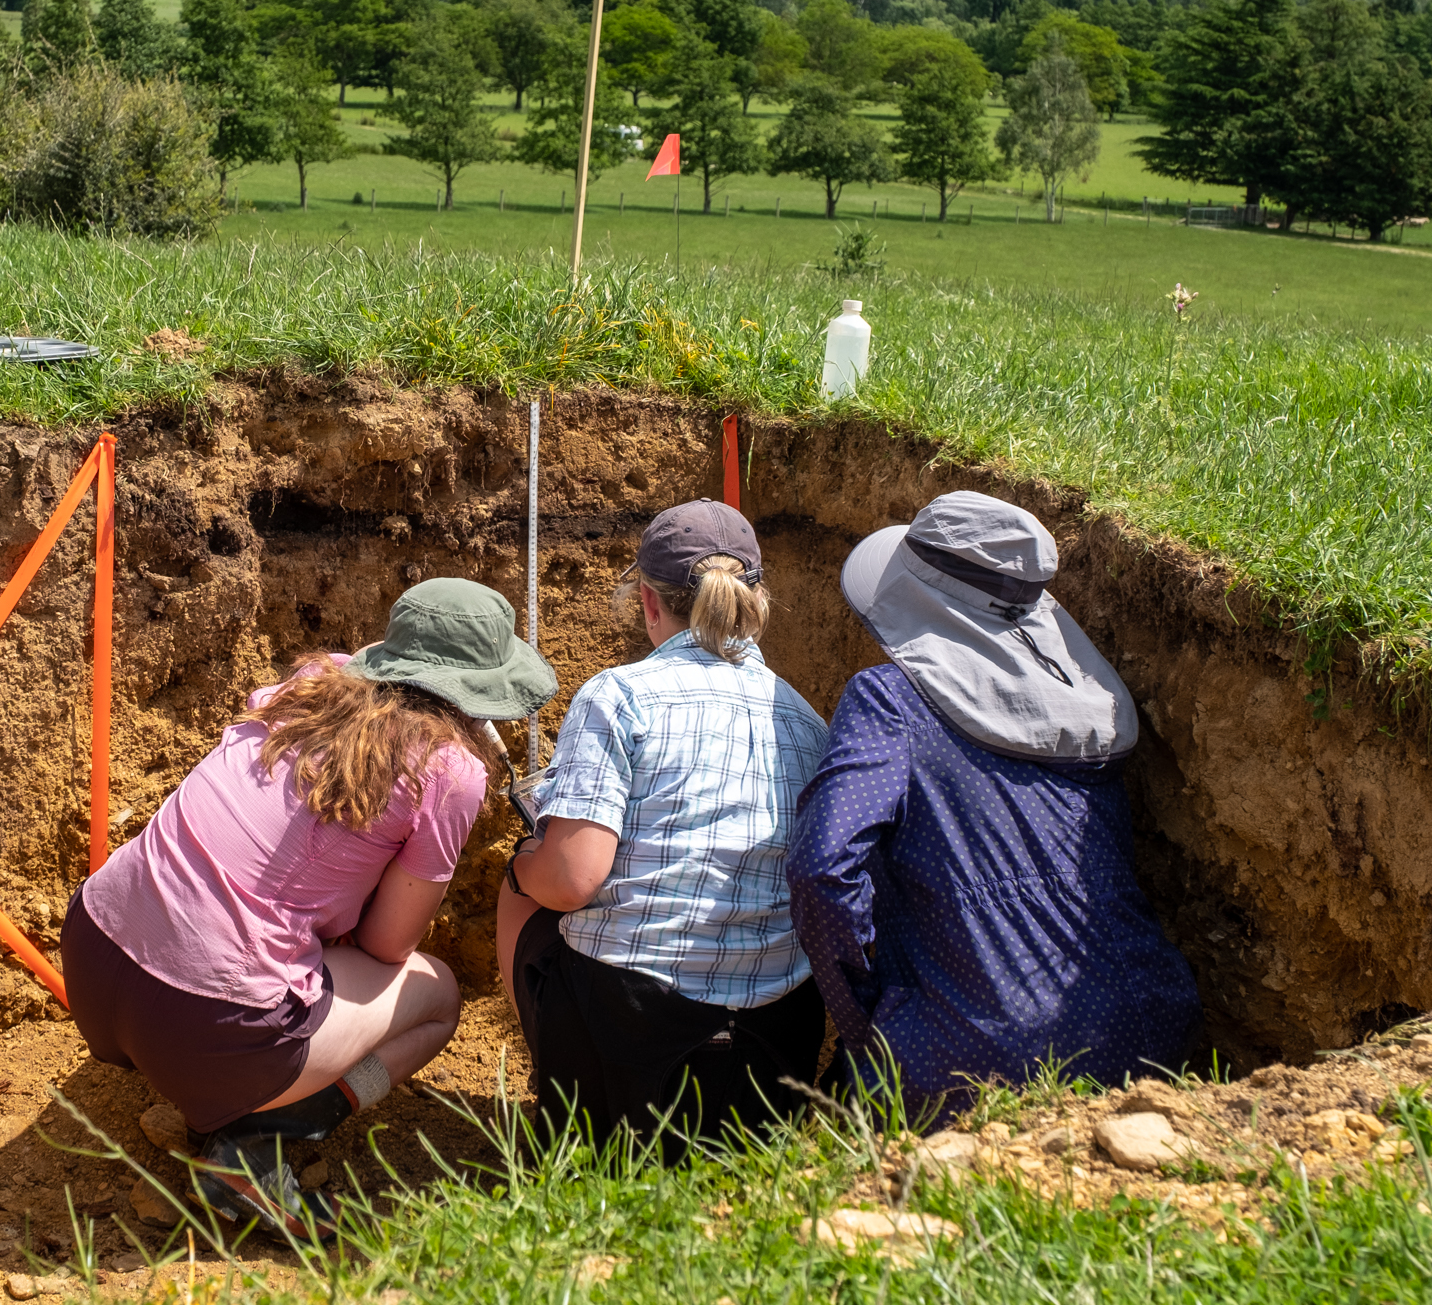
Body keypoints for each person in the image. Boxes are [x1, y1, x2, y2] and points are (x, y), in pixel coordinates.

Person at [63, 578, 556, 1236]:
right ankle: (255, 1144)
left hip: (94, 960)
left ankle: (216, 1086)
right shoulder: (450, 770)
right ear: (480, 689)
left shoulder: (316, 679)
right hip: (211, 1026)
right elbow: (388, 947)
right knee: (436, 998)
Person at [788, 492, 1201, 1127]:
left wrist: (867, 1019)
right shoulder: (1095, 712)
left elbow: (822, 868)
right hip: (1151, 1025)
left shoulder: (891, 700)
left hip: (969, 1052)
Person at [499, 499, 830, 1157]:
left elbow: (571, 880)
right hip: (774, 1044)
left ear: (649, 602)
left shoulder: (617, 696)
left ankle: (566, 1100)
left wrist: (523, 859)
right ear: (752, 601)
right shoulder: (807, 721)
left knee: (524, 889)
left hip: (633, 1029)